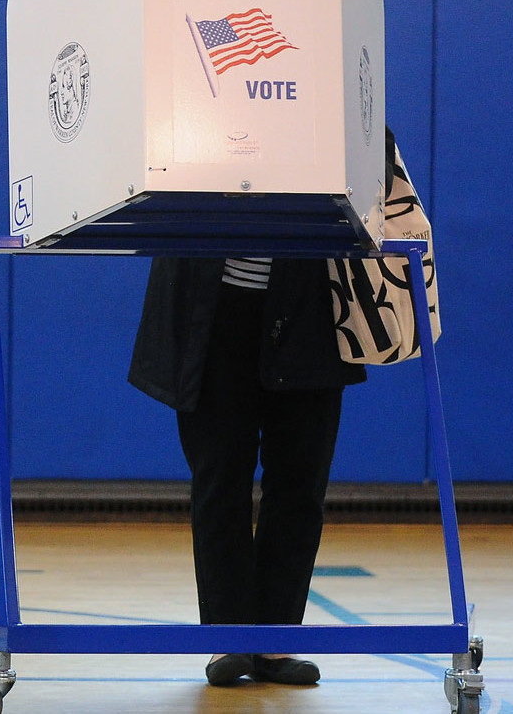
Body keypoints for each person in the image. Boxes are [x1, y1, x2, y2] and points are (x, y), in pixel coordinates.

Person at [125, 131, 406, 686]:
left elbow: (375, 146)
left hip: (311, 306)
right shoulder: (200, 72)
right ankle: (228, 638)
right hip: (212, 309)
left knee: (300, 483)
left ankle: (276, 640)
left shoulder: (328, 75)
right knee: (218, 479)